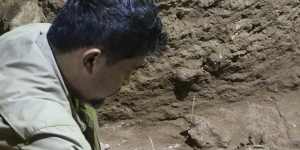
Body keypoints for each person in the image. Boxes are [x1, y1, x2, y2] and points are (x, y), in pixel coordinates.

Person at [0, 0, 163, 149]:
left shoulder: (37, 35)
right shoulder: (57, 139)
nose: (127, 81)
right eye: (128, 71)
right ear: (91, 60)